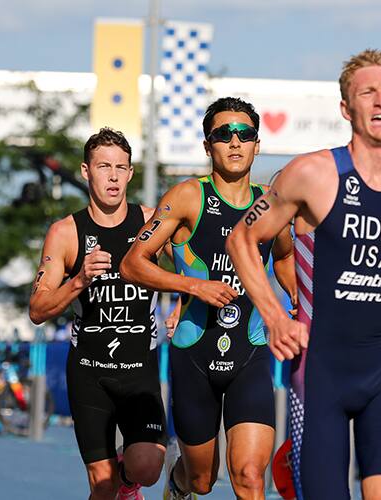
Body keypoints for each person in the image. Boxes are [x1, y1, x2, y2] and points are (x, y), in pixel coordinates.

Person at [227, 49, 381, 500]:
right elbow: (241, 240)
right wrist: (274, 316)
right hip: (319, 369)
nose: (380, 101)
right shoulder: (311, 173)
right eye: (367, 92)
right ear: (346, 108)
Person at [120, 97, 296, 500]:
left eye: (244, 134)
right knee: (202, 479)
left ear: (256, 145)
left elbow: (285, 258)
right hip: (194, 352)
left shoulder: (272, 202)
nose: (235, 143)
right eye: (223, 135)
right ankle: (179, 483)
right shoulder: (187, 197)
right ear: (207, 145)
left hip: (251, 352)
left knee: (250, 475)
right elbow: (133, 264)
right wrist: (194, 286)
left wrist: (301, 303)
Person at [29, 128, 166, 500]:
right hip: (90, 372)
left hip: (139, 370)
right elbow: (38, 309)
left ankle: (128, 478)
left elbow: (190, 271)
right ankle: (115, 484)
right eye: (104, 166)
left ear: (131, 173)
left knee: (148, 468)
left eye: (121, 167)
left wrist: (181, 307)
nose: (113, 176)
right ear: (86, 171)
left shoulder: (152, 223)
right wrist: (79, 280)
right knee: (100, 487)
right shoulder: (66, 233)